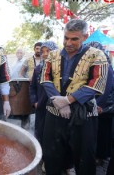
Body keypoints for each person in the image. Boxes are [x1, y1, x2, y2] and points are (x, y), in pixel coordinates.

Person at [40, 19, 108, 175]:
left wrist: (68, 100)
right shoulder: (52, 55)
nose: (68, 42)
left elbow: (97, 84)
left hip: (83, 115)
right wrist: (60, 102)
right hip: (54, 112)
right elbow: (45, 78)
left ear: (85, 37)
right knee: (52, 157)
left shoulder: (97, 55)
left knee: (84, 159)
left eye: (74, 39)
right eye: (66, 38)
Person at [85, 42, 114, 172]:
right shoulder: (91, 64)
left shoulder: (105, 65)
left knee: (102, 132)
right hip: (95, 103)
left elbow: (106, 88)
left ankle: (101, 156)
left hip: (105, 105)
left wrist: (100, 105)